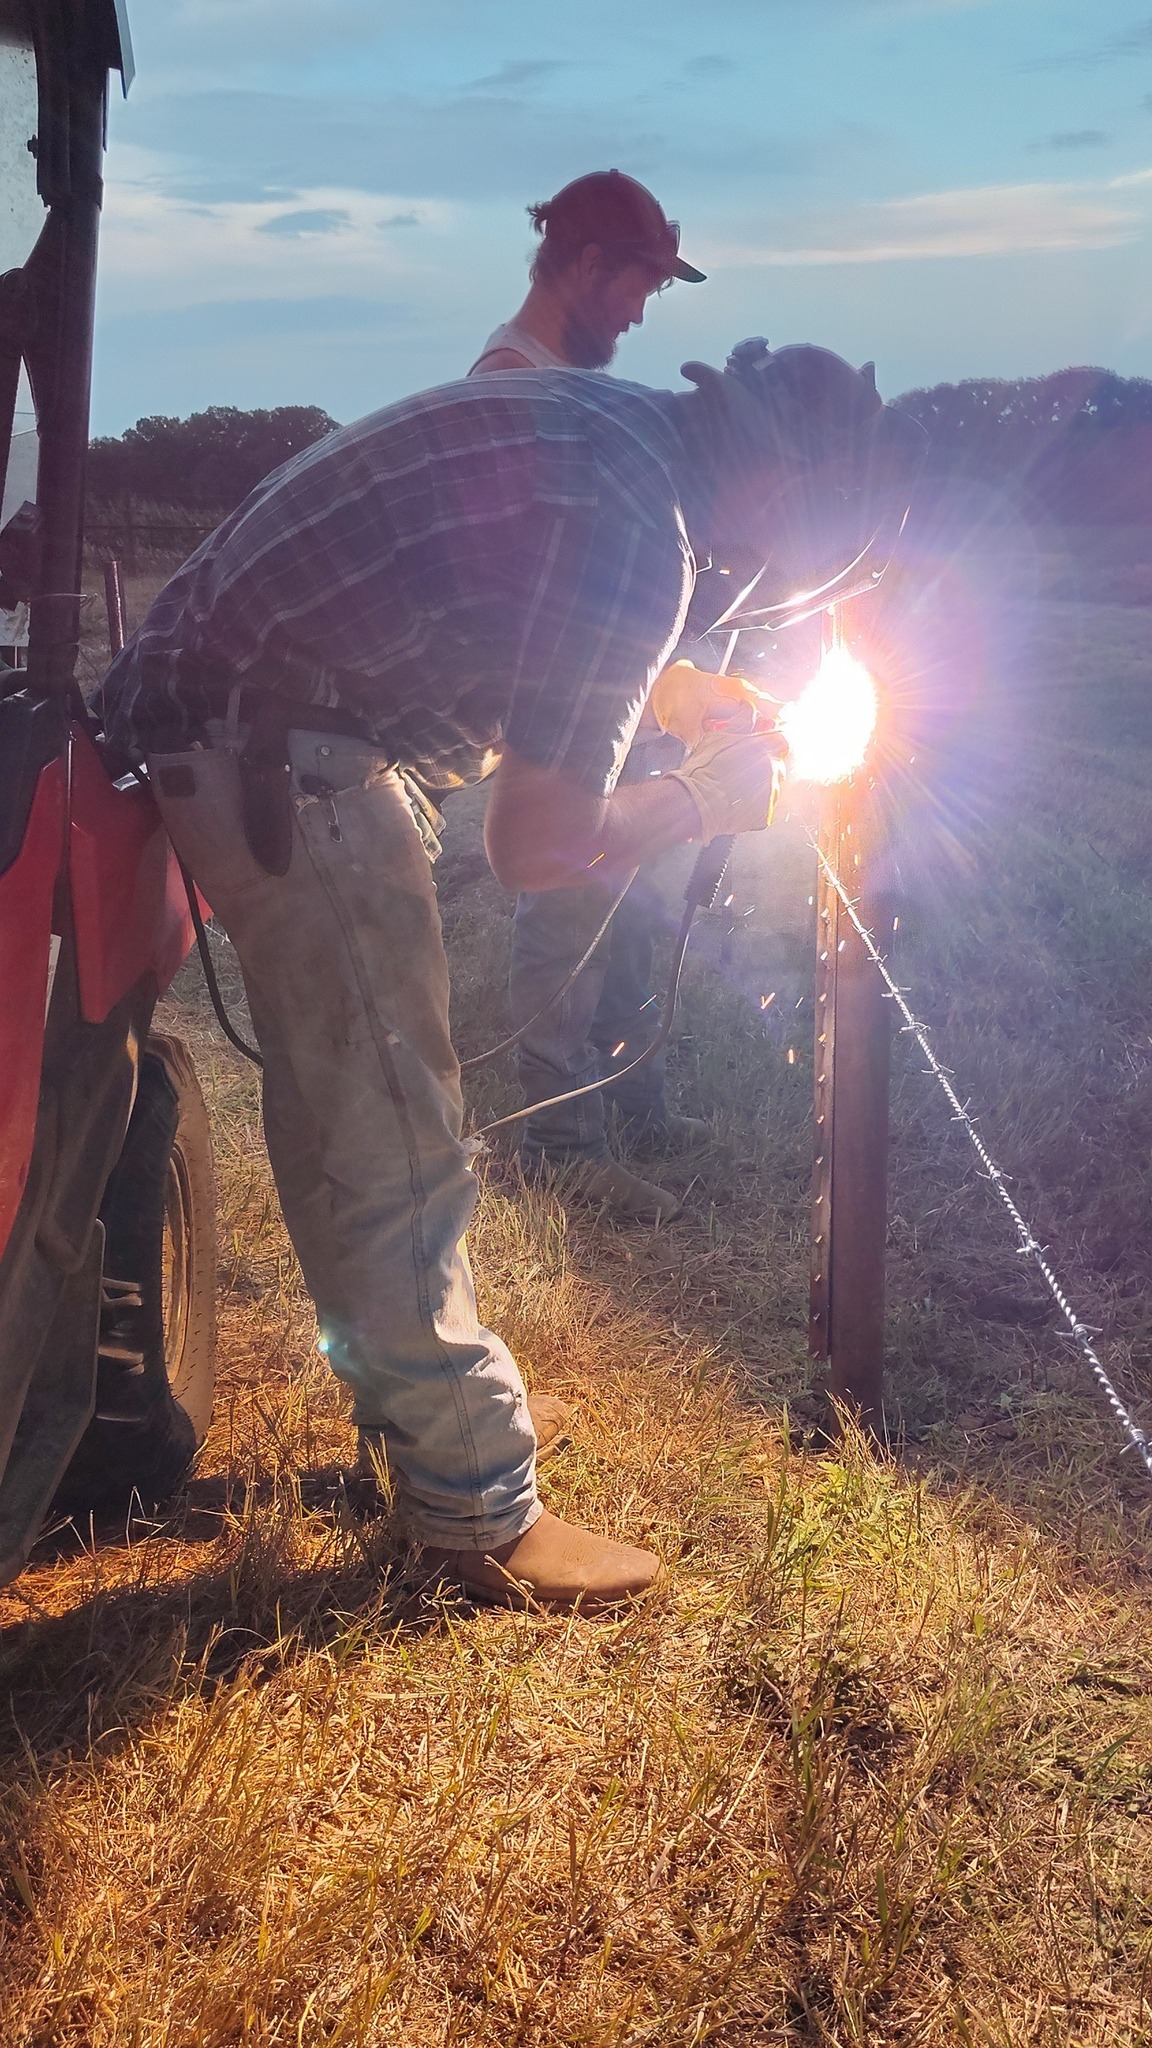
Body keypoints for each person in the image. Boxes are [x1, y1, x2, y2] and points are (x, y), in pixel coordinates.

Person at [100, 339, 906, 1612]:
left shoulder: (625, 442)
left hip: (227, 706)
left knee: (342, 1110)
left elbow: (520, 619)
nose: (778, 586)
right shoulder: (642, 528)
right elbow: (532, 845)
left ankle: (409, 1431)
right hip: (275, 734)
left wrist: (685, 694)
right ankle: (475, 1508)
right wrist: (699, 796)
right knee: (397, 1124)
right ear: (784, 491)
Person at [471, 170, 712, 1223]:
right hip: (552, 703)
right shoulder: (510, 384)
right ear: (582, 263)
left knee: (629, 896)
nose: (642, 308)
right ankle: (562, 1146)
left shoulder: (571, 385)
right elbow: (519, 579)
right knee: (566, 903)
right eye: (638, 282)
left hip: (599, 687)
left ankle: (630, 1103)